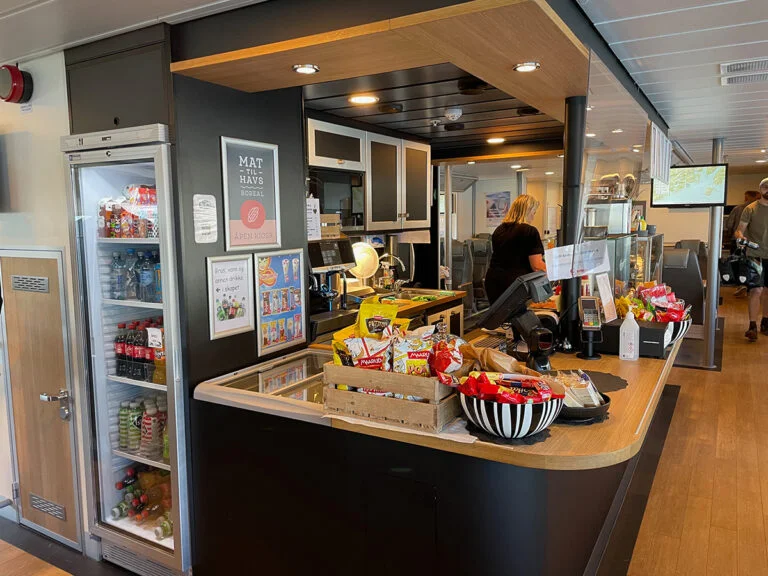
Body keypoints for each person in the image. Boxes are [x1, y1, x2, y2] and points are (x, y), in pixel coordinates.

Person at [484, 194, 546, 304]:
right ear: (528, 210)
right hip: (516, 284)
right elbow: (537, 266)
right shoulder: (529, 231)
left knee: (498, 318)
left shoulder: (499, 230)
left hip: (494, 281)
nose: (534, 215)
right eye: (534, 212)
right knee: (519, 318)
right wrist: (557, 271)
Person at [735, 178, 768, 341]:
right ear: (760, 189)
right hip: (755, 255)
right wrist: (741, 238)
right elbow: (739, 230)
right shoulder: (751, 209)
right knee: (756, 290)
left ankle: (765, 322)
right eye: (765, 188)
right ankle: (752, 325)